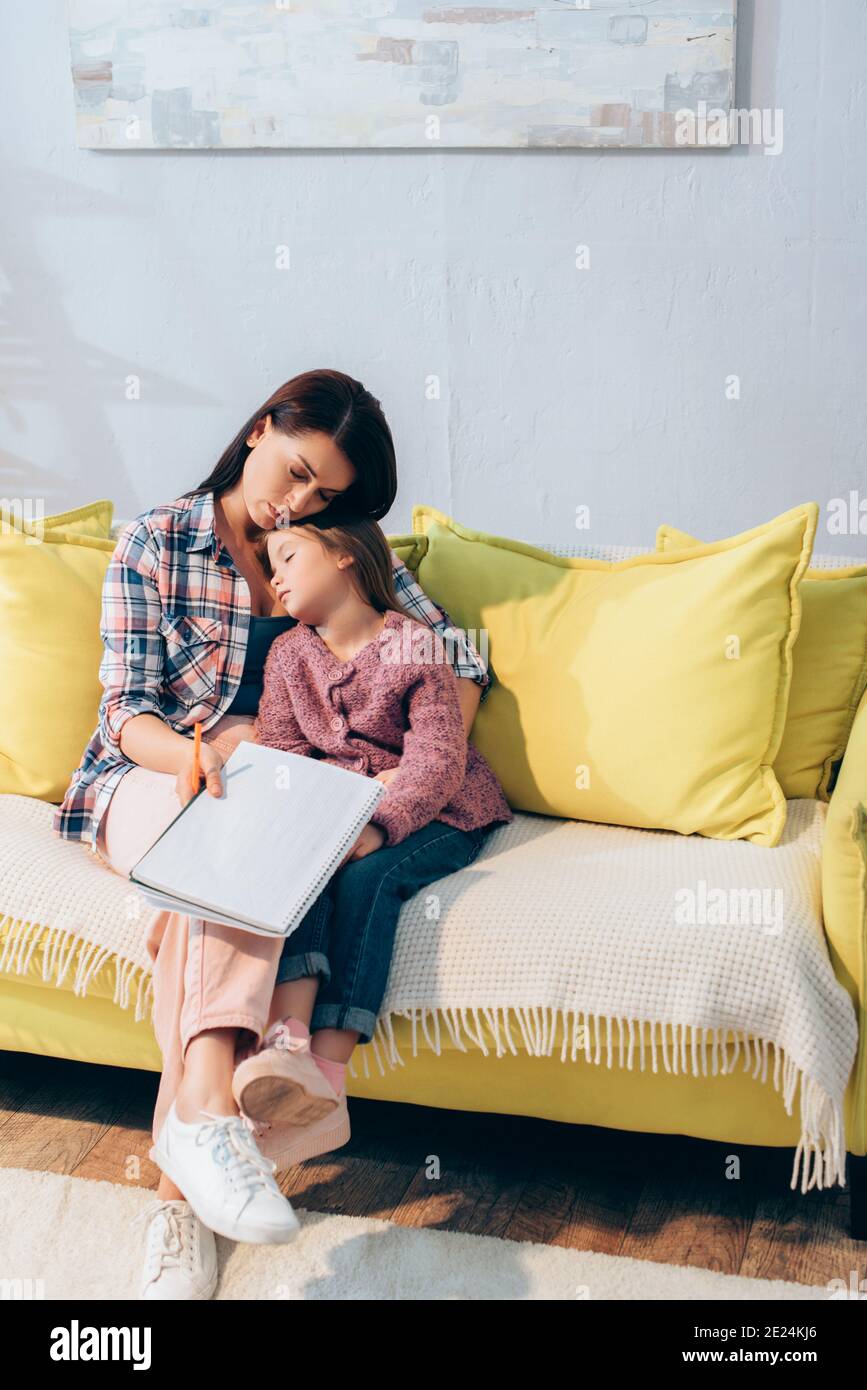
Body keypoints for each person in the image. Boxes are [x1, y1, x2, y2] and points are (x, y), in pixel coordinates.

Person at [52, 369, 493, 1299]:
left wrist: (403, 749)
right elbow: (125, 713)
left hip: (280, 792)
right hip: (153, 775)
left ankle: (189, 1158)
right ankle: (196, 1155)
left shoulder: (333, 549)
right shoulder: (154, 543)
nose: (291, 503)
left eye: (321, 494)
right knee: (214, 838)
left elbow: (450, 654)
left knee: (195, 910)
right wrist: (200, 757)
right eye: (292, 471)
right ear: (259, 429)